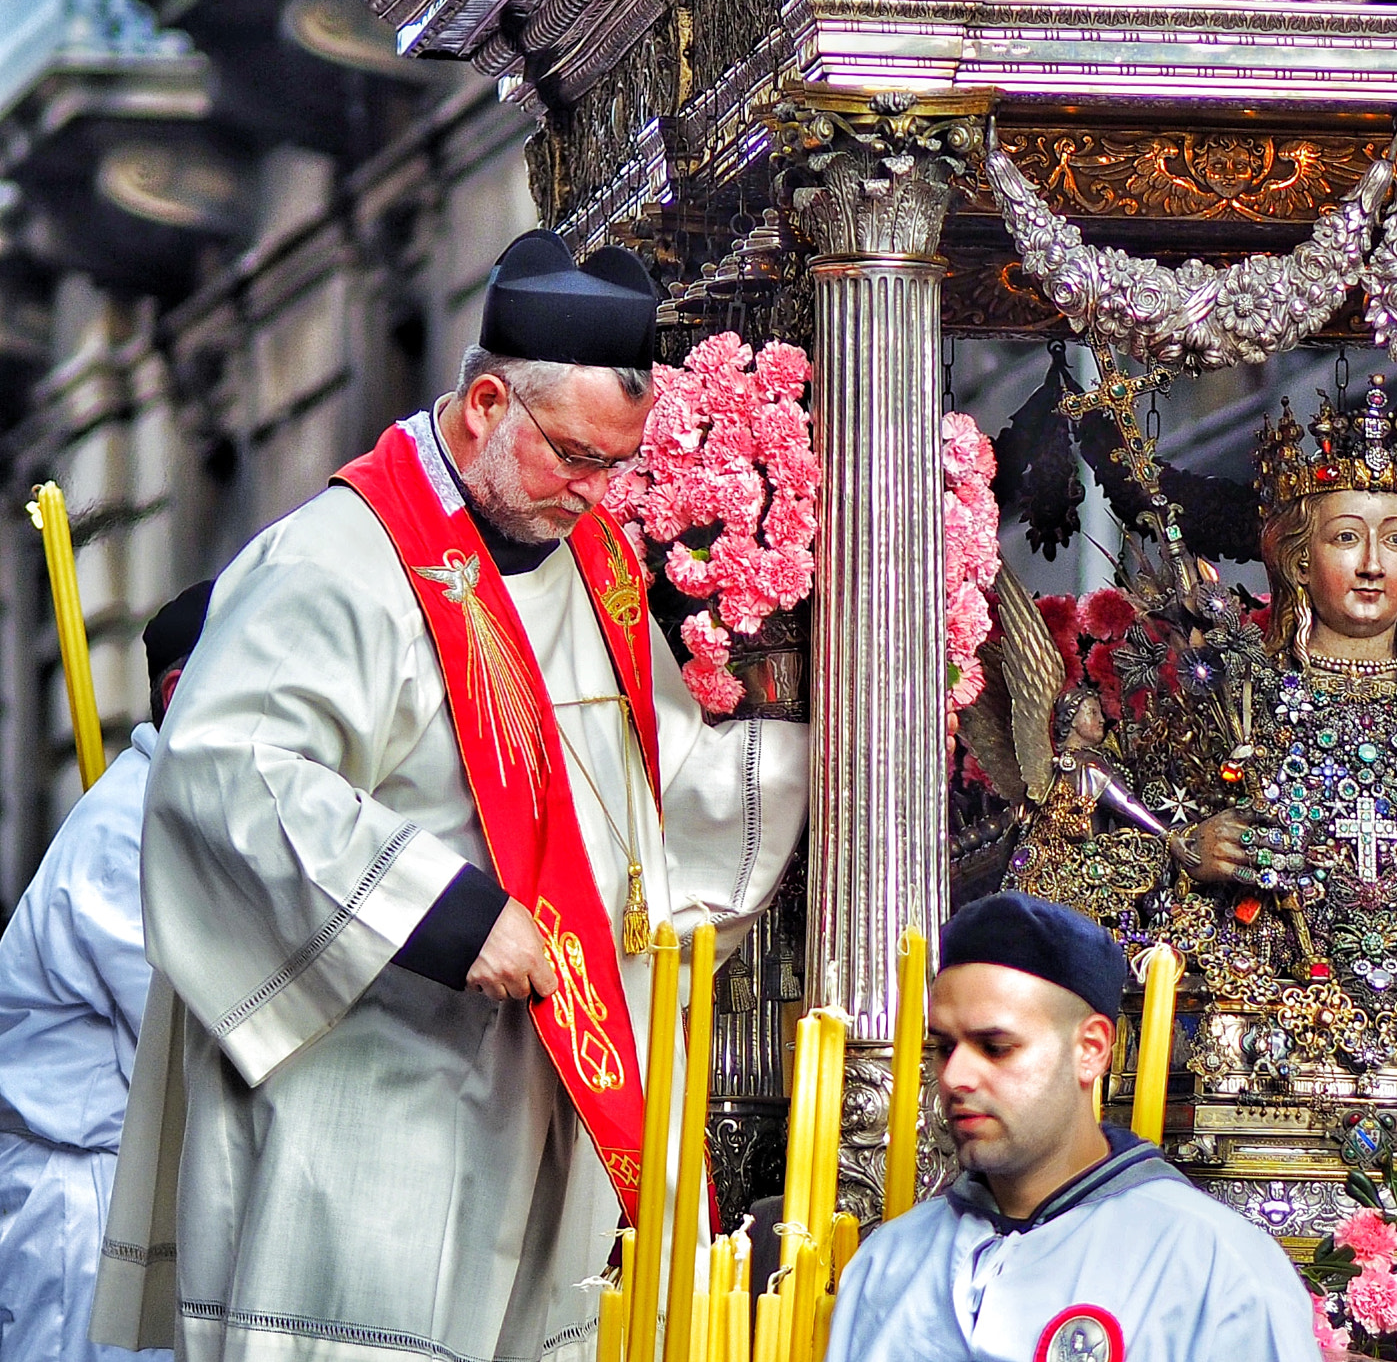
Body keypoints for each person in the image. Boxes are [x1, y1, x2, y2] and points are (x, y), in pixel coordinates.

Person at [91, 232, 808, 1362]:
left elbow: (650, 783)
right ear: (484, 403)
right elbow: (230, 775)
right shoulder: (336, 560)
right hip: (375, 1104)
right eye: (571, 457)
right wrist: (451, 914)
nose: (592, 496)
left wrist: (811, 746)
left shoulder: (592, 564)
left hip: (544, 1097)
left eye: (615, 467)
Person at [825, 893, 1319, 1362]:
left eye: (995, 1047)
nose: (954, 1077)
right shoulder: (887, 1263)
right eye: (944, 1047)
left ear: (1090, 1050)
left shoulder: (1216, 1266)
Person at [0, 582, 209, 1362]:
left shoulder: (173, 810)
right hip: (81, 1214)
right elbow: (213, 1027)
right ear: (183, 691)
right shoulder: (131, 829)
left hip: (126, 1195)